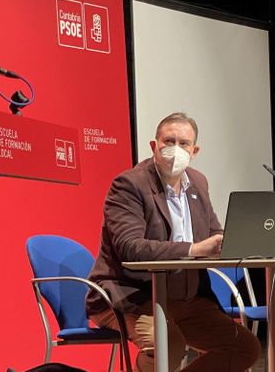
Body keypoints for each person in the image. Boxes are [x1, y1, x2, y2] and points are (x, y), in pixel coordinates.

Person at [86, 113, 261, 372]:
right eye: (169, 141)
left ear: (194, 150)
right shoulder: (130, 184)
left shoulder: (198, 183)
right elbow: (130, 248)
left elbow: (212, 232)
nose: (175, 150)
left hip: (189, 300)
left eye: (183, 143)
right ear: (154, 145)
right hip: (133, 297)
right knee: (168, 346)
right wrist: (193, 249)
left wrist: (235, 240)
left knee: (244, 348)